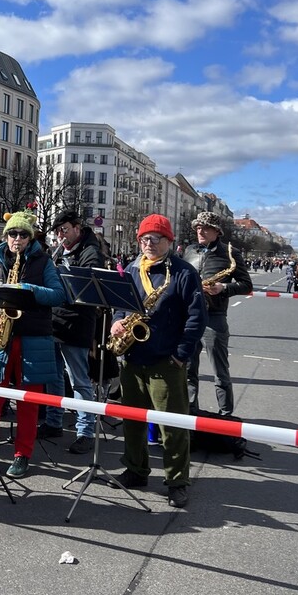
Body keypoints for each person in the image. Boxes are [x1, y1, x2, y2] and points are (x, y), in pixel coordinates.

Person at [108, 214, 207, 508]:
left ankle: (177, 481)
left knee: (171, 426)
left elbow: (196, 318)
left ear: (169, 241)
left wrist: (180, 355)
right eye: (144, 239)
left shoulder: (184, 273)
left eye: (155, 239)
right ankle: (136, 470)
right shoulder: (131, 268)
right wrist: (117, 322)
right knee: (133, 421)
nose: (148, 244)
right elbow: (120, 305)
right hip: (133, 357)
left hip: (166, 361)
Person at [0, 210, 67, 479]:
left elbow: (59, 295)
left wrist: (29, 289)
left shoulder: (43, 261)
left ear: (30, 237)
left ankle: (22, 455)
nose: (17, 238)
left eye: (22, 234)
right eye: (12, 234)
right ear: (6, 236)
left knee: (28, 403)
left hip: (32, 338)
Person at [40, 210, 105, 455]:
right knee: (54, 376)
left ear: (77, 227)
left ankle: (85, 431)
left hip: (76, 321)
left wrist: (57, 276)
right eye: (57, 232)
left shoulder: (90, 252)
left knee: (79, 379)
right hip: (54, 319)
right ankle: (54, 421)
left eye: (64, 230)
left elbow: (86, 287)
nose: (61, 236)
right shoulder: (60, 250)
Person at [180, 211, 252, 417]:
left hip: (215, 316)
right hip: (190, 317)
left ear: (217, 231)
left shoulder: (231, 253)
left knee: (220, 372)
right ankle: (190, 414)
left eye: (205, 227)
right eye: (197, 227)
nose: (199, 231)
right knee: (188, 371)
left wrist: (223, 287)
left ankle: (225, 416)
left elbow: (246, 285)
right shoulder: (190, 250)